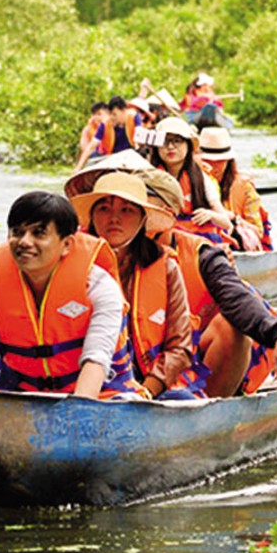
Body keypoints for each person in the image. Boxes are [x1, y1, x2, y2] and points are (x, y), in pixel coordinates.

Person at [137, 169, 277, 397]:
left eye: (136, 208)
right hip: (137, 360)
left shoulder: (202, 254)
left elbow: (237, 298)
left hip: (193, 357)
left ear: (166, 213)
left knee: (231, 327)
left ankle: (210, 406)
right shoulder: (110, 249)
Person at [0, 190, 134, 399]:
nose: (25, 242)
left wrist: (78, 412)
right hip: (24, 399)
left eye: (39, 233)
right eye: (17, 232)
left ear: (66, 244)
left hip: (100, 397)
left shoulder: (99, 287)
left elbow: (96, 360)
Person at [66, 170, 199, 400]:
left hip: (146, 385)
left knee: (183, 400)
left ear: (143, 219)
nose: (114, 218)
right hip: (79, 385)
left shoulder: (165, 265)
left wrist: (146, 391)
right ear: (92, 216)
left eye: (126, 210)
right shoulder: (67, 261)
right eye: (104, 209)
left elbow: (179, 347)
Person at [150, 116, 233, 244]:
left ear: (188, 146)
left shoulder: (201, 179)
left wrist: (210, 215)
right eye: (165, 141)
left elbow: (226, 223)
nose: (170, 146)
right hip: (162, 242)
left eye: (177, 141)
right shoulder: (150, 177)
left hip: (197, 243)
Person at [199, 125, 272, 251]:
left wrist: (233, 218)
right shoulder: (190, 181)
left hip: (235, 245)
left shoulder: (244, 187)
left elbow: (258, 232)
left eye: (220, 161)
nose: (213, 166)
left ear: (228, 161)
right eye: (208, 160)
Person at [74, 95, 139, 171]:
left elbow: (139, 135)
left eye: (114, 114)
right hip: (111, 158)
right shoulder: (105, 124)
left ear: (123, 111)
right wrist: (78, 168)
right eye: (110, 114)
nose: (112, 117)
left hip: (131, 155)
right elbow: (91, 147)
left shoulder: (134, 117)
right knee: (92, 158)